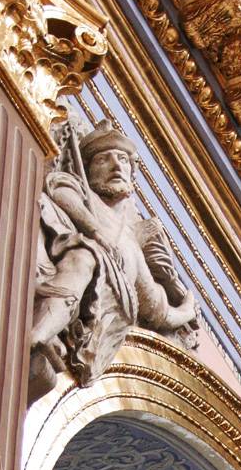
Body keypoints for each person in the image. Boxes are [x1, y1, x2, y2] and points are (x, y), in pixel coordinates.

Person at [30, 119, 198, 401]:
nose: (116, 166)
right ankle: (39, 334)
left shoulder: (132, 247)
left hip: (104, 324)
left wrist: (187, 309)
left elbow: (156, 309)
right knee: (85, 258)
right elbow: (60, 189)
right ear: (88, 169)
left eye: (123, 160)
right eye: (103, 159)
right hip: (77, 267)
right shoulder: (84, 197)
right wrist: (95, 232)